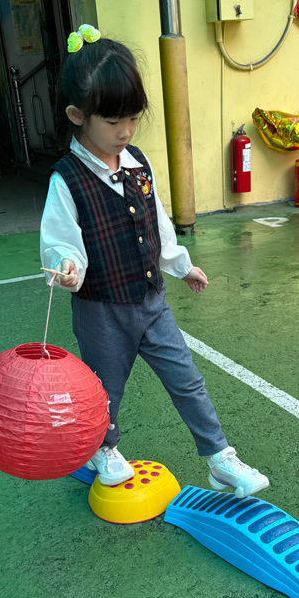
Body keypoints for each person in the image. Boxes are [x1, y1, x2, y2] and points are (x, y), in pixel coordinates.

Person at [40, 25, 268, 499]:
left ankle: (219, 458)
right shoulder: (67, 180)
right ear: (77, 116)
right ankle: (103, 448)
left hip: (150, 302)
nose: (125, 131)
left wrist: (182, 265)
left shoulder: (137, 164)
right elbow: (61, 240)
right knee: (105, 390)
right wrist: (68, 268)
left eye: (133, 118)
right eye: (112, 121)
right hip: (102, 309)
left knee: (187, 380)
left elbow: (157, 220)